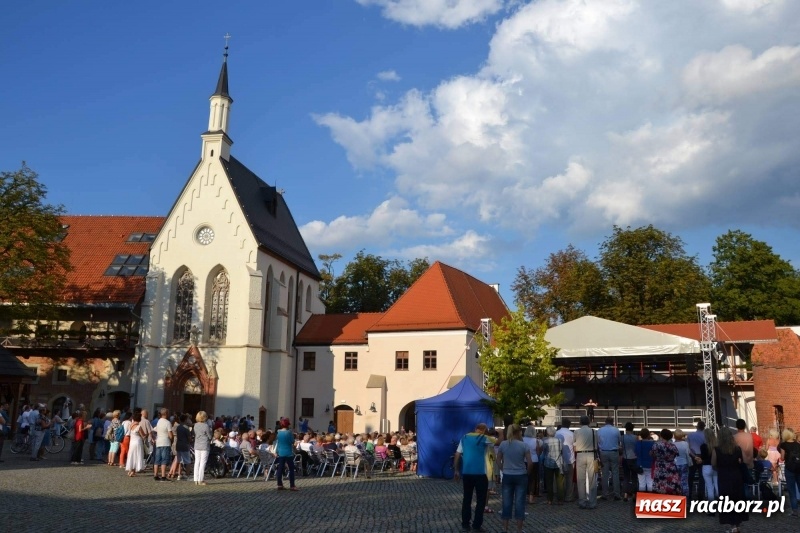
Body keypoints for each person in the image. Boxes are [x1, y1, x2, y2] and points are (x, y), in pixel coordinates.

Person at [454, 422, 495, 532]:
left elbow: (457, 454)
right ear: (484, 430)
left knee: (467, 499)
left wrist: (456, 470)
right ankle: (477, 525)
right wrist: (500, 433)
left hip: (467, 473)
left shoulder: (464, 437)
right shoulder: (484, 438)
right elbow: (498, 441)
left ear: (475, 429)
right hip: (480, 473)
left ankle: (465, 524)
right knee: (481, 501)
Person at [497, 424, 531, 533]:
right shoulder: (523, 445)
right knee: (520, 502)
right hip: (521, 475)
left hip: (507, 474)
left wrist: (503, 469)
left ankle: (505, 528)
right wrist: (527, 473)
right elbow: (530, 462)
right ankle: (519, 530)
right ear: (518, 432)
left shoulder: (503, 444)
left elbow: (498, 460)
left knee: (506, 502)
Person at [713, 427, 748, 532]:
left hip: (724, 476)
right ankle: (737, 524)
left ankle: (732, 525)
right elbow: (742, 462)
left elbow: (713, 463)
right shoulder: (737, 449)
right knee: (737, 499)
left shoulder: (717, 450)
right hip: (736, 476)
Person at [573, 415, 598, 509]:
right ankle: (592, 502)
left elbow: (574, 446)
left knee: (581, 480)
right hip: (591, 454)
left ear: (580, 422)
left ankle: (582, 501)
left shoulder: (576, 432)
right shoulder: (593, 431)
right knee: (592, 479)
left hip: (580, 455)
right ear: (589, 422)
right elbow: (597, 445)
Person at [597, 416, 621, 501]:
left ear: (605, 422)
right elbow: (619, 441)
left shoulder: (600, 430)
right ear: (612, 422)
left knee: (605, 474)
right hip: (614, 452)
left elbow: (598, 442)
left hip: (603, 452)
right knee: (615, 473)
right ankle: (617, 494)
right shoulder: (616, 430)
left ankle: (605, 494)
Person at [651, 428, 681, 495]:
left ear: (661, 436)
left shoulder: (656, 445)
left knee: (660, 486)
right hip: (671, 467)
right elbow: (676, 454)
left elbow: (652, 454)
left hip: (660, 468)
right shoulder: (673, 446)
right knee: (671, 486)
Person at [778, 427, 800, 518]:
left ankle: (795, 511)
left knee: (792, 490)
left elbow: (782, 458)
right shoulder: (798, 444)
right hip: (799, 468)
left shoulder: (783, 445)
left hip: (789, 469)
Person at [541, 426, 563, 505]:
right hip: (558, 462)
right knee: (560, 482)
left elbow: (544, 451)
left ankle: (550, 499)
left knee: (549, 482)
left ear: (547, 433)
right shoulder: (559, 440)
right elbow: (561, 451)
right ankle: (560, 499)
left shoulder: (545, 441)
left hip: (548, 462)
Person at [275, 417, 298, 490]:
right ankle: (292, 485)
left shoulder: (278, 432)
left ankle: (279, 484)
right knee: (291, 469)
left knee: (280, 468)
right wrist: (295, 443)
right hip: (288, 452)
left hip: (280, 452)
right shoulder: (289, 432)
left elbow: (277, 442)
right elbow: (292, 441)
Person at [555, 419, 575, 502]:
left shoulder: (557, 433)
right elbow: (574, 446)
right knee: (569, 479)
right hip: (570, 458)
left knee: (560, 479)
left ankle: (560, 495)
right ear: (569, 425)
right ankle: (569, 496)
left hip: (559, 458)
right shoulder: (572, 434)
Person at [698, 427, 718, 504]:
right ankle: (723, 505)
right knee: (717, 485)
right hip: (716, 466)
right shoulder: (717, 446)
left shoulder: (703, 446)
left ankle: (711, 507)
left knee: (709, 487)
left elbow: (703, 457)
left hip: (706, 466)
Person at [687, 419, 706, 500]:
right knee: (702, 477)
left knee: (691, 476)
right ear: (704, 427)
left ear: (697, 426)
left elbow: (687, 448)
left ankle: (689, 494)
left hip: (692, 456)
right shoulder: (705, 435)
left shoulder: (690, 435)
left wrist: (694, 456)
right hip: (702, 456)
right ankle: (700, 496)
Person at [153, 408, 173, 482]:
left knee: (157, 459)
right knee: (164, 459)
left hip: (158, 441)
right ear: (166, 414)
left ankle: (155, 475)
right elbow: (170, 435)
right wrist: (171, 438)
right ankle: (163, 476)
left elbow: (155, 430)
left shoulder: (158, 421)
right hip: (165, 442)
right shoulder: (167, 422)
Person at [522, 425, 541, 503]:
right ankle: (531, 496)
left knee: (524, 478)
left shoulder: (522, 440)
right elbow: (538, 452)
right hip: (534, 460)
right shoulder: (536, 440)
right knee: (533, 479)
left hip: (524, 460)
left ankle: (523, 495)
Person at [194, 411, 212, 486]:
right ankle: (200, 480)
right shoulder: (206, 426)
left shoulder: (195, 425)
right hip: (204, 445)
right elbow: (210, 436)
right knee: (202, 463)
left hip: (197, 445)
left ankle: (196, 479)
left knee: (197, 462)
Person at [621, 421, 638, 502]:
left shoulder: (622, 437)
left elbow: (621, 448)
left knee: (626, 477)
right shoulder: (636, 437)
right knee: (634, 477)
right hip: (634, 458)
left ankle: (625, 495)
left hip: (625, 458)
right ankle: (634, 495)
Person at [125, 412, 146, 476]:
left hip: (132, 442)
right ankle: (133, 471)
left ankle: (131, 470)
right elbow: (143, 436)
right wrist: (146, 434)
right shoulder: (139, 426)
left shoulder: (131, 425)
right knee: (137, 455)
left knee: (132, 455)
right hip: (138, 442)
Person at [635, 428, 655, 492]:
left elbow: (636, 453)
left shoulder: (638, 443)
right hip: (650, 465)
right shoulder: (653, 443)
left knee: (641, 483)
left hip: (640, 465)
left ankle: (642, 499)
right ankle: (650, 499)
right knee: (650, 483)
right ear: (648, 435)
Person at [672, 429, 692, 496]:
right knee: (684, 482)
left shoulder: (672, 444)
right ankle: (686, 498)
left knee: (675, 482)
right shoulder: (685, 444)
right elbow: (688, 454)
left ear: (674, 436)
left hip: (675, 464)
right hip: (684, 463)